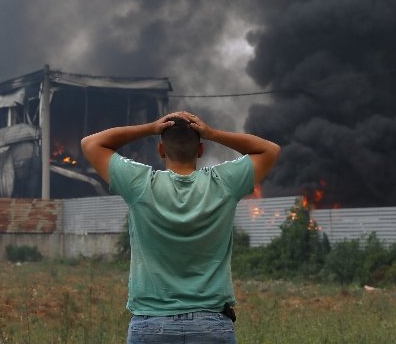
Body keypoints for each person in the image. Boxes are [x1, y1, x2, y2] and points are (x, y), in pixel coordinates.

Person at [81, 110, 281, 343]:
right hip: (212, 325)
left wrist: (151, 128)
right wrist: (212, 133)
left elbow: (91, 143)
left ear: (161, 150)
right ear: (201, 150)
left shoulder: (140, 184)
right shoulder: (224, 183)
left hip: (151, 324)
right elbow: (270, 150)